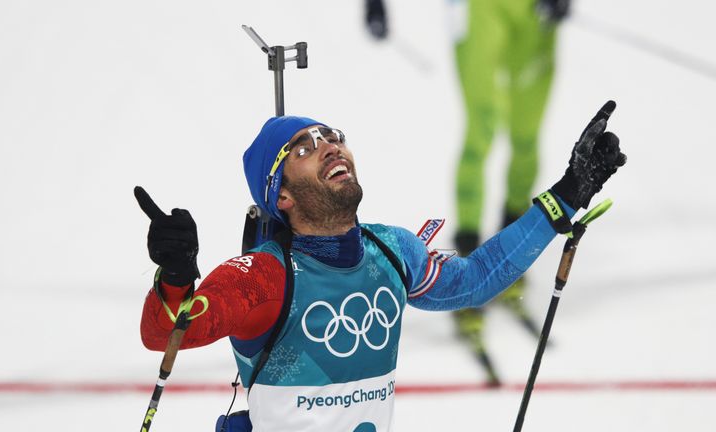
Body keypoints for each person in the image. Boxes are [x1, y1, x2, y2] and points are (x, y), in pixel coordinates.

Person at [136, 102, 625, 431]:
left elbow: (477, 279)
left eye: (333, 136)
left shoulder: (391, 251)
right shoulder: (264, 277)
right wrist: (176, 276)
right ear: (280, 195)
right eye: (304, 147)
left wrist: (567, 195)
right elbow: (165, 333)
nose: (330, 146)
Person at [449, 0, 571, 385]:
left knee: (526, 136)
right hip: (480, 9)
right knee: (481, 130)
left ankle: (510, 260)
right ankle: (467, 269)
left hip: (534, 13)